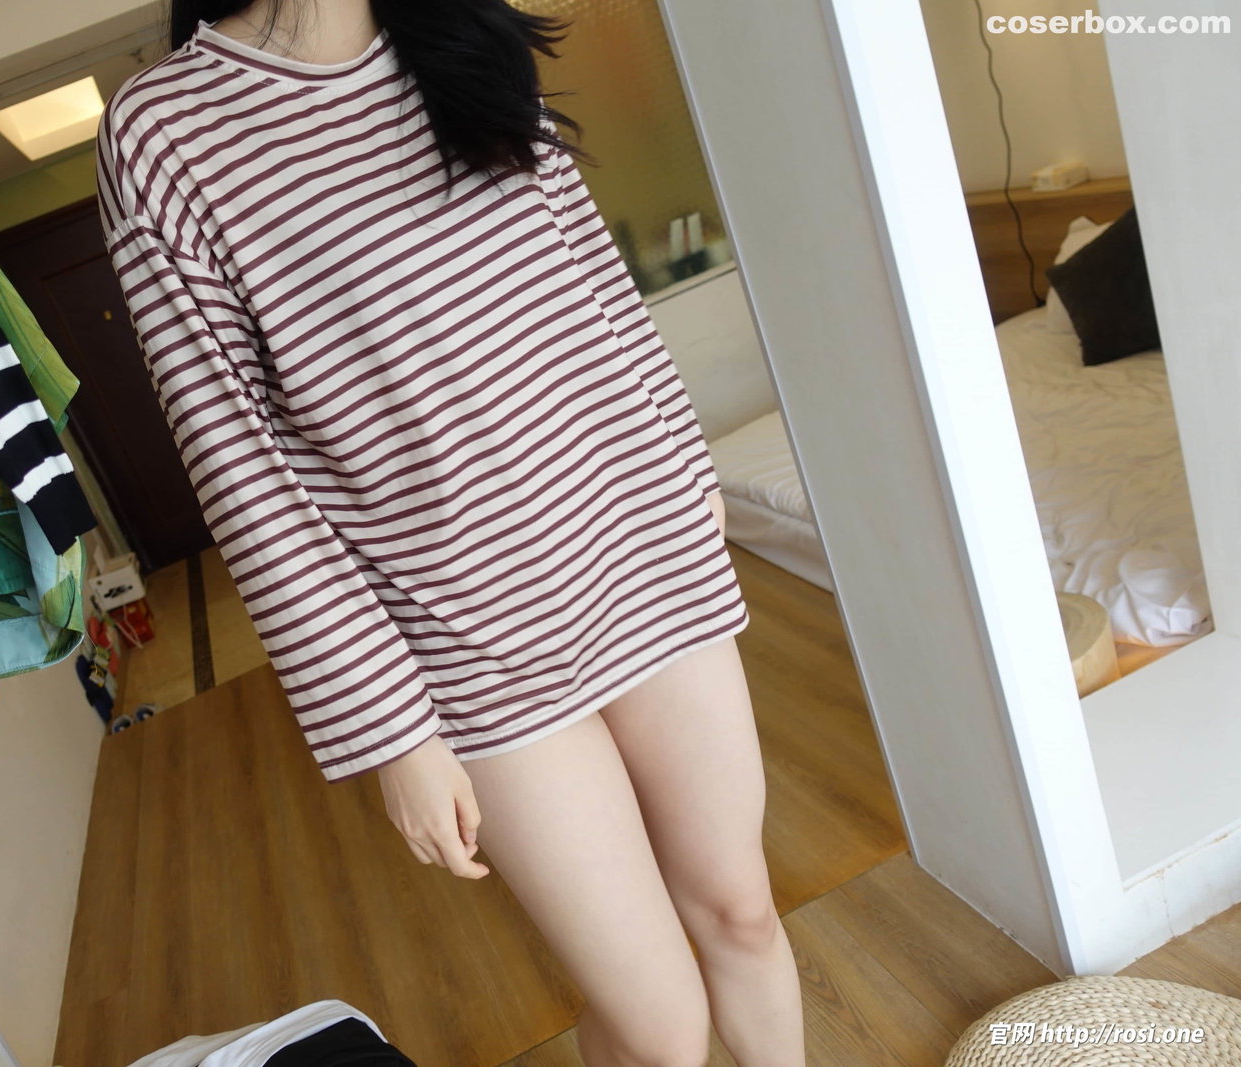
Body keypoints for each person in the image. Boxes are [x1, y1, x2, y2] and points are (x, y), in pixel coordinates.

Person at [97, 2, 804, 1063]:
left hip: (643, 550)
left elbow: (597, 289)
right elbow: (244, 474)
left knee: (741, 910)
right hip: (466, 639)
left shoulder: (465, 34)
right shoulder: (163, 133)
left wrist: (690, 471)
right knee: (661, 1023)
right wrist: (394, 733)